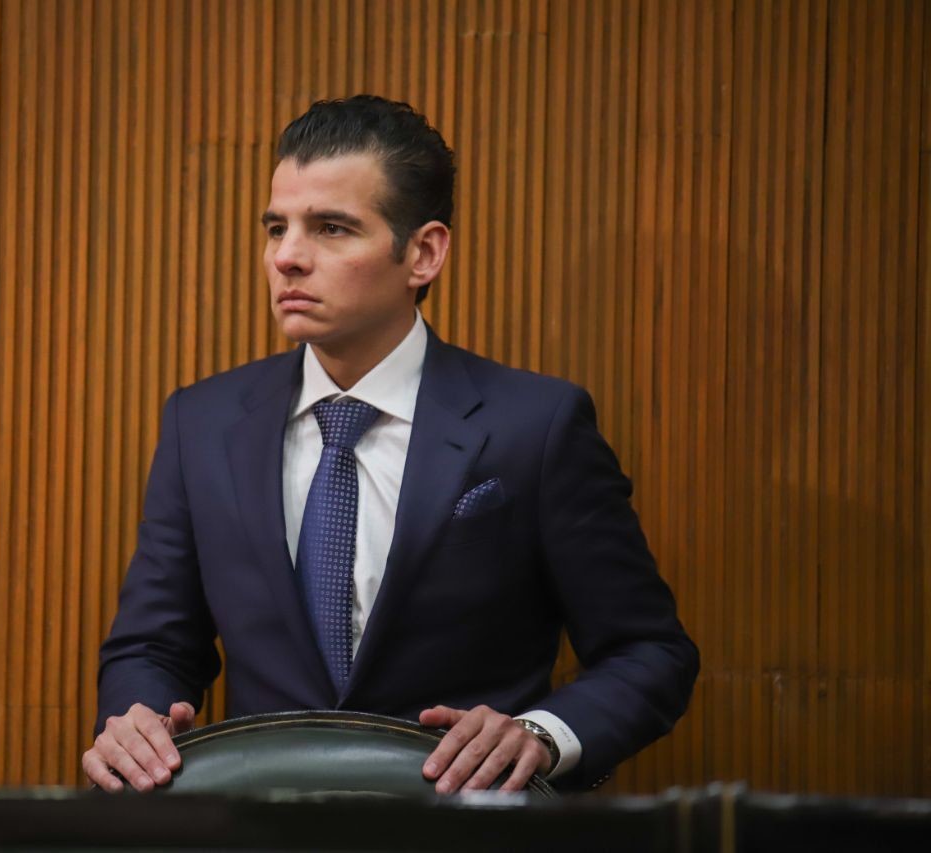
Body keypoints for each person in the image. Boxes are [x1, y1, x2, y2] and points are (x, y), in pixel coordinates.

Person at [82, 95, 698, 795]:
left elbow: (650, 652)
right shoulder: (203, 422)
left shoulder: (538, 424)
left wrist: (539, 735)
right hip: (255, 828)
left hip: (464, 832)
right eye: (276, 227)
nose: (287, 257)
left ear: (424, 253)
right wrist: (135, 720)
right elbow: (154, 645)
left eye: (332, 228)